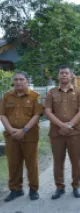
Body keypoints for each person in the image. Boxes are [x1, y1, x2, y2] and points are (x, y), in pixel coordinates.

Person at [44, 65, 80, 199]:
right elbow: (47, 111)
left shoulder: (79, 92)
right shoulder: (51, 92)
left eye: (66, 73)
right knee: (58, 161)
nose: (63, 75)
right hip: (57, 133)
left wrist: (70, 125)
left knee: (76, 161)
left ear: (71, 76)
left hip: (74, 132)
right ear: (58, 76)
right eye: (61, 73)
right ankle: (59, 187)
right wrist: (62, 125)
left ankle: (76, 186)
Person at [0, 71, 43, 202]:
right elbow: (2, 115)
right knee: (13, 163)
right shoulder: (7, 96)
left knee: (32, 164)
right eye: (16, 79)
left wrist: (24, 130)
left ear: (27, 81)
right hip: (11, 136)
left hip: (29, 135)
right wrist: (11, 130)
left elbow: (37, 115)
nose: (18, 82)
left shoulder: (36, 96)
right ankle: (15, 190)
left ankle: (33, 189)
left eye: (21, 79)